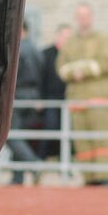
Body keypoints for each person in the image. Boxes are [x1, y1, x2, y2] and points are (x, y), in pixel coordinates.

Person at [57, 3, 108, 186]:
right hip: (77, 100)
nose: (83, 20)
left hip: (98, 99)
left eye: (86, 16)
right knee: (82, 142)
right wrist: (74, 71)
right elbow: (61, 67)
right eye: (79, 16)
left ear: (92, 17)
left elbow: (106, 62)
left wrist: (83, 70)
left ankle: (105, 176)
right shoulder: (70, 43)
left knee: (101, 139)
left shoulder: (103, 40)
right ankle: (88, 176)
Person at [6, 20, 43, 185]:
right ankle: (17, 177)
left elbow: (11, 74)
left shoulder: (17, 49)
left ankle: (34, 164)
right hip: (33, 97)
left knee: (11, 135)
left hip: (18, 95)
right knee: (19, 135)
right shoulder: (36, 50)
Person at [39, 23, 72, 159]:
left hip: (67, 100)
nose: (67, 40)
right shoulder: (46, 54)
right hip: (50, 99)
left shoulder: (71, 56)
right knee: (50, 128)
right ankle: (40, 160)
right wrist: (40, 99)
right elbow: (40, 77)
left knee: (67, 131)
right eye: (65, 36)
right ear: (57, 36)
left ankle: (65, 163)